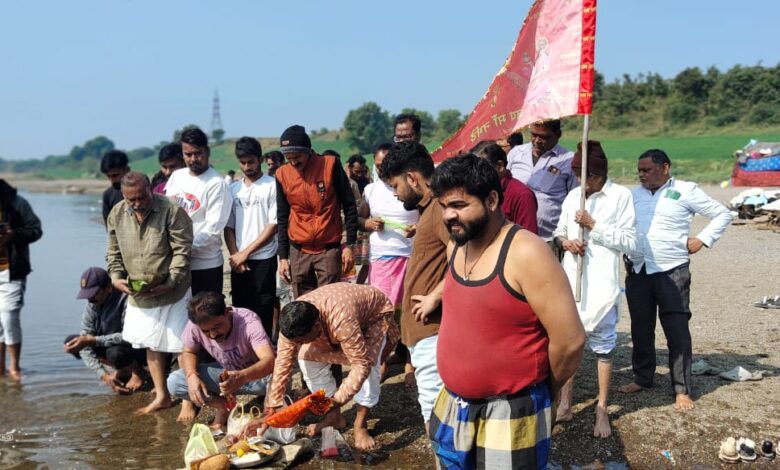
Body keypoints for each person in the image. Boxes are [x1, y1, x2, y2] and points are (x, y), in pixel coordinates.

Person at [427, 153, 585, 469]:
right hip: (453, 404)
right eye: (444, 206)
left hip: (510, 411)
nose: (448, 216)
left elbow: (570, 341)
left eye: (458, 205)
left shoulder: (526, 252)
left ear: (492, 200)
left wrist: (542, 391)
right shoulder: (456, 245)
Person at [619, 149, 732, 411]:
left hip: (673, 271)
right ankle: (643, 378)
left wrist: (702, 239)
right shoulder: (631, 195)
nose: (642, 174)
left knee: (677, 330)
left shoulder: (686, 190)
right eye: (640, 170)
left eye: (647, 170)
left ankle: (682, 388)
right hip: (638, 270)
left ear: (665, 168)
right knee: (641, 328)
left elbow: (723, 214)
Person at [249, 283, 399, 451]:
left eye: (300, 341)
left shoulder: (341, 320)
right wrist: (272, 409)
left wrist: (338, 399)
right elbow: (282, 363)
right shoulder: (291, 323)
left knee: (369, 364)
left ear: (317, 327)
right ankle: (334, 417)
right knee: (305, 357)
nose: (297, 344)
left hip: (373, 316)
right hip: (337, 319)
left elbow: (360, 364)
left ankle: (360, 424)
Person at [553, 141, 636, 438]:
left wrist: (594, 225)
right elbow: (559, 231)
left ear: (600, 174)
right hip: (572, 279)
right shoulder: (574, 195)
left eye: (588, 177)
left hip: (602, 284)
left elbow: (629, 242)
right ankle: (565, 405)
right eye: (578, 176)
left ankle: (601, 409)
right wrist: (567, 243)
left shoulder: (620, 196)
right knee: (571, 343)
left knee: (603, 346)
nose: (583, 183)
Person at [106, 172, 193, 414]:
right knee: (151, 343)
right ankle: (162, 395)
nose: (136, 204)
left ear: (150, 190)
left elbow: (182, 251)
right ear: (124, 196)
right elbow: (113, 252)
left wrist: (172, 280)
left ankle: (187, 399)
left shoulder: (171, 210)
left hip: (173, 289)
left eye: (141, 197)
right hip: (138, 292)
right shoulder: (116, 213)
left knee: (181, 344)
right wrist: (115, 278)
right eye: (130, 200)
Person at [379, 141, 446, 429]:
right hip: (423, 332)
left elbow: (466, 261)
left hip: (434, 329)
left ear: (413, 178)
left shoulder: (441, 209)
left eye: (395, 185)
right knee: (434, 412)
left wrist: (435, 295)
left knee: (437, 415)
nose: (394, 194)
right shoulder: (427, 211)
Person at [167, 291, 275, 429]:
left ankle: (267, 414)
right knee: (175, 382)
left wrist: (242, 376)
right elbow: (188, 351)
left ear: (226, 312)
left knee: (275, 395)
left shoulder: (248, 322)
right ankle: (224, 407)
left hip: (260, 377)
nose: (212, 335)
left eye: (216, 327)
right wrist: (191, 375)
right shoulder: (196, 324)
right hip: (227, 377)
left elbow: (269, 360)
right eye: (206, 331)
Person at [275, 125, 358, 298]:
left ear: (308, 151)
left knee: (329, 301)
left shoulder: (330, 165)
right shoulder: (282, 174)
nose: (293, 163)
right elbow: (282, 216)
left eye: (297, 157)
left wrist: (350, 245)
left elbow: (349, 205)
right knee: (302, 304)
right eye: (288, 158)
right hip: (299, 250)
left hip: (328, 249)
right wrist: (283, 257)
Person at [359, 143, 418, 385]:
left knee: (410, 310)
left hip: (410, 256)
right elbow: (360, 218)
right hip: (382, 258)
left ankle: (410, 363)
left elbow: (426, 215)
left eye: (386, 165)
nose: (382, 170)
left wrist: (418, 228)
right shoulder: (370, 190)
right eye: (378, 166)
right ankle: (382, 361)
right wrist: (368, 224)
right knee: (383, 313)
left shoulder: (410, 185)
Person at [165, 127, 232, 294]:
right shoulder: (176, 177)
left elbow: (212, 232)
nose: (193, 159)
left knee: (204, 317)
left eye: (198, 153)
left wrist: (181, 250)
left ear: (207, 152)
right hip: (177, 264)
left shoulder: (216, 184)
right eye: (188, 154)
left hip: (205, 265)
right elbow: (166, 214)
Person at [224, 137, 278, 337]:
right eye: (243, 162)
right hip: (239, 261)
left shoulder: (272, 186)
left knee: (263, 307)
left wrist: (245, 253)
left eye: (251, 162)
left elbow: (272, 226)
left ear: (261, 159)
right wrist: (235, 255)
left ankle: (264, 355)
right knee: (240, 309)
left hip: (263, 258)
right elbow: (228, 226)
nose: (247, 167)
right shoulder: (233, 189)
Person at [64, 266, 145, 394]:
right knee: (71, 341)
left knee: (115, 353)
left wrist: (94, 340)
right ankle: (122, 369)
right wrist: (105, 376)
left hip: (135, 347)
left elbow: (130, 336)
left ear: (108, 288)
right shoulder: (92, 304)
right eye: (87, 295)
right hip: (110, 343)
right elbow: (85, 340)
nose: (90, 299)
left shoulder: (125, 299)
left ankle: (137, 372)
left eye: (93, 294)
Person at [506, 120, 578, 254]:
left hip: (549, 240)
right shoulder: (516, 153)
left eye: (544, 137)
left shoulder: (568, 160)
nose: (537, 140)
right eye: (533, 135)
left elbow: (574, 200)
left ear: (558, 135)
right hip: (512, 237)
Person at [0, 179, 42, 381]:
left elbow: (36, 230)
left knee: (9, 317)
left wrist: (13, 234)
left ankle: (15, 367)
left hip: (13, 269)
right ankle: (0, 368)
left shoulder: (18, 203)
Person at [472, 140, 538, 233]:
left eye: (481, 169)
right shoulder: (477, 190)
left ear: (499, 166)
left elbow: (529, 238)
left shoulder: (522, 195)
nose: (476, 175)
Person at [100, 150, 130, 224]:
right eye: (108, 176)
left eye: (115, 175)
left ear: (126, 170)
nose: (112, 180)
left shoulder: (142, 191)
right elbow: (109, 225)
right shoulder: (108, 195)